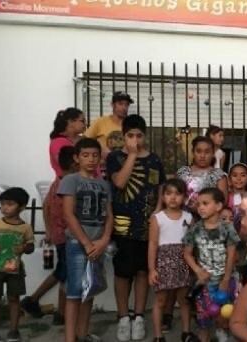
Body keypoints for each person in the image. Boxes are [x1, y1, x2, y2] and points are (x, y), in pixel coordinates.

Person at [105, 114, 165, 341]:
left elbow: (159, 189)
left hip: (147, 225)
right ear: (123, 136)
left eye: (139, 135)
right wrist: (131, 155)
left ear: (145, 136)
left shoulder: (155, 160)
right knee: (122, 272)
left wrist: (157, 214)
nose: (135, 139)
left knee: (142, 270)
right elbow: (119, 183)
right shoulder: (114, 157)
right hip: (123, 224)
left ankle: (138, 316)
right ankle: (123, 316)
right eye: (130, 135)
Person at [58, 138, 113, 342]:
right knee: (74, 292)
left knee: (90, 290)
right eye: (85, 155)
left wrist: (104, 239)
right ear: (77, 157)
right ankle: (70, 338)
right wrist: (87, 243)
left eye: (95, 155)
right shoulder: (70, 180)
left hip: (98, 245)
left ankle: (83, 333)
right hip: (77, 244)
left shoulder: (104, 184)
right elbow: (68, 215)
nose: (91, 160)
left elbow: (109, 215)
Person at [21, 147, 76, 324]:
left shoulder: (57, 182)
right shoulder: (68, 183)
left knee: (64, 272)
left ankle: (59, 313)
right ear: (75, 161)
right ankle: (34, 300)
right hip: (66, 236)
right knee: (63, 272)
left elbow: (45, 206)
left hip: (60, 234)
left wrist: (48, 229)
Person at [184, 187, 240, 341]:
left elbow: (231, 255)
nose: (200, 207)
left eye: (205, 203)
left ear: (218, 206)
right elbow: (187, 253)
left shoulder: (227, 228)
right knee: (203, 317)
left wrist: (226, 279)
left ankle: (223, 334)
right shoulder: (195, 229)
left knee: (225, 314)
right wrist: (197, 270)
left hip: (225, 279)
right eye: (199, 204)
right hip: (205, 282)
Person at [148, 179, 195, 342]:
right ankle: (158, 335)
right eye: (168, 194)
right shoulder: (157, 218)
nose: (173, 198)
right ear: (163, 197)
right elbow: (153, 244)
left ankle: (186, 332)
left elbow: (192, 243)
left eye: (177, 193)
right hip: (163, 262)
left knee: (184, 300)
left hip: (184, 261)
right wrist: (152, 269)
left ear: (184, 196)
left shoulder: (189, 217)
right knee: (161, 300)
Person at [0, 187, 35, 342]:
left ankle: (14, 331)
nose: (4, 207)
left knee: (14, 299)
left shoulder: (25, 227)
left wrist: (24, 248)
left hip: (15, 269)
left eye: (10, 204)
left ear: (21, 207)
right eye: (3, 204)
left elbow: (31, 246)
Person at [177, 136, 228, 215]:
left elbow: (223, 201)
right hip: (182, 218)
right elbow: (175, 193)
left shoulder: (219, 175)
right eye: (198, 151)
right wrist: (187, 203)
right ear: (193, 152)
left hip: (209, 220)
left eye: (207, 152)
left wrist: (203, 208)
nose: (202, 156)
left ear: (212, 153)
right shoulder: (182, 172)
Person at [84, 91, 133, 159]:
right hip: (103, 166)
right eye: (120, 104)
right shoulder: (100, 122)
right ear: (112, 105)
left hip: (126, 164)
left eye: (126, 104)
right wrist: (98, 150)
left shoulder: (132, 124)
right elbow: (85, 141)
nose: (124, 108)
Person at [49, 107, 86, 177]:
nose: (85, 124)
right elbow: (69, 165)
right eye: (82, 121)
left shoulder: (82, 139)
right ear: (70, 122)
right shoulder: (58, 142)